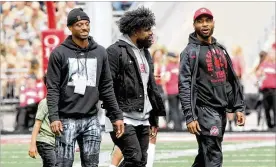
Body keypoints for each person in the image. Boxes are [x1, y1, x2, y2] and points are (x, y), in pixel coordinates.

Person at [46, 8, 124, 167]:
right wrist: (54, 117)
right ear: (70, 27)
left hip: (91, 119)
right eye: (79, 24)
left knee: (91, 165)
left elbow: (107, 87)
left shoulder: (100, 52)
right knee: (63, 164)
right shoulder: (59, 53)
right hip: (66, 119)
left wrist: (116, 115)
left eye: (86, 24)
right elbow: (52, 88)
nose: (84, 27)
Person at [178, 7, 246, 167]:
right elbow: (185, 85)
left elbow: (230, 80)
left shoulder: (220, 48)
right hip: (204, 111)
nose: (204, 24)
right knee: (214, 156)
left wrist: (238, 107)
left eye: (207, 20)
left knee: (205, 155)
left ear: (213, 23)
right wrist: (190, 116)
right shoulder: (189, 52)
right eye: (200, 21)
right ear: (194, 25)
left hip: (220, 111)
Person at [105, 6, 166, 167]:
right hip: (123, 117)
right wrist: (115, 116)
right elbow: (106, 86)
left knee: (141, 161)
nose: (150, 33)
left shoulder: (145, 52)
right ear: (135, 30)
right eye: (147, 30)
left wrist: (154, 118)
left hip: (143, 118)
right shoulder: (114, 51)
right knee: (134, 158)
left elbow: (149, 88)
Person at [28, 75, 56, 167]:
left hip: (55, 142)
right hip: (45, 141)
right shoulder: (45, 103)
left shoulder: (63, 102)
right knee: (54, 164)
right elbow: (37, 124)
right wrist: (32, 145)